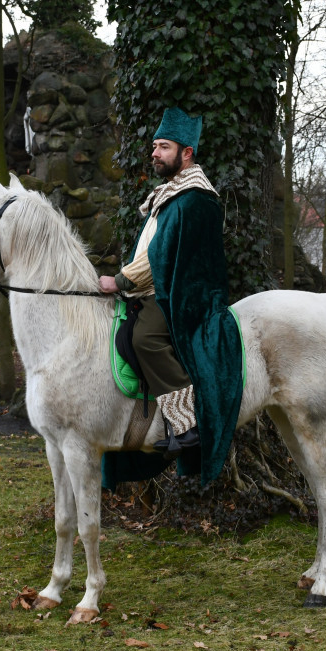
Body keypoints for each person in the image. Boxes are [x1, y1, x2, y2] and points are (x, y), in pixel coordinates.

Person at [100, 107, 243, 474]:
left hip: (185, 296)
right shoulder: (170, 195)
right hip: (160, 289)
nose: (155, 153)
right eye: (155, 146)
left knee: (146, 337)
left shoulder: (195, 199)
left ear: (187, 153)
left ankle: (188, 424)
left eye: (163, 147)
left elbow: (158, 256)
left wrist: (120, 281)